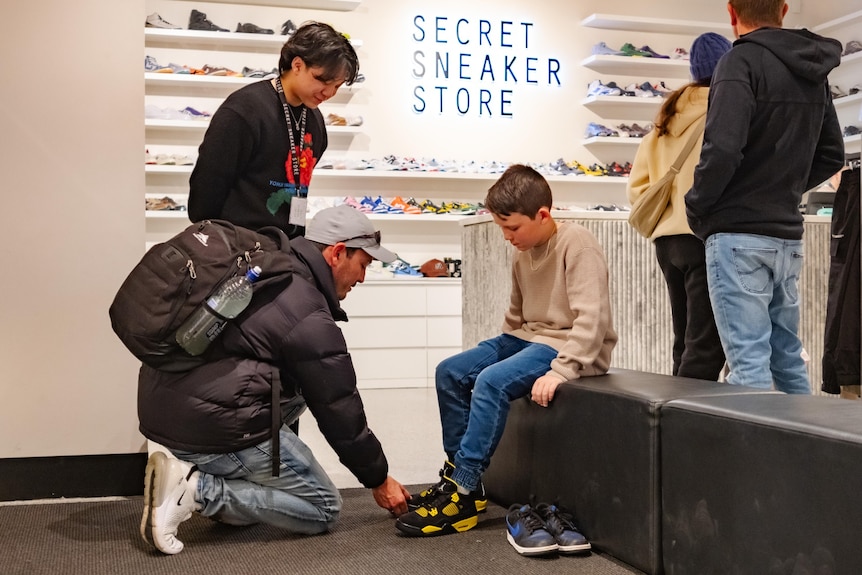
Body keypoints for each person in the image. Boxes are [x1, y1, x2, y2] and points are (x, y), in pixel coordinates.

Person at [138, 204, 410, 555]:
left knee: (301, 390)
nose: (362, 277)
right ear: (337, 252)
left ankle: (214, 474)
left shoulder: (268, 263)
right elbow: (338, 407)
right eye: (364, 264)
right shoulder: (303, 307)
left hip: (167, 409)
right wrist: (378, 478)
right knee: (322, 507)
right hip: (209, 424)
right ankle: (195, 490)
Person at [395, 164, 617, 539]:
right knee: (450, 371)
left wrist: (562, 370)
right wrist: (502, 349)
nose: (506, 236)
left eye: (512, 227)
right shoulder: (523, 252)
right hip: (527, 339)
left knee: (491, 382)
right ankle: (460, 481)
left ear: (543, 215)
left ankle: (463, 489)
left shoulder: (577, 244)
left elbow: (592, 320)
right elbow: (516, 318)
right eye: (502, 228)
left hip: (566, 345)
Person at [684, 0, 845, 394]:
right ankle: (805, 454)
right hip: (786, 236)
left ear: (731, 12)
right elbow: (832, 154)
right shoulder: (813, 70)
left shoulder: (739, 63)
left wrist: (697, 205)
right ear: (785, 9)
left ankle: (750, 459)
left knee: (748, 366)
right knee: (787, 357)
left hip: (738, 234)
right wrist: (783, 188)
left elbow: (722, 148)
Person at [188, 21, 359, 238]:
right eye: (322, 80)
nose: (329, 93)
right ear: (297, 65)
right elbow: (204, 198)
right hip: (235, 251)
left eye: (337, 85)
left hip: (286, 251)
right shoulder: (244, 110)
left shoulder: (315, 120)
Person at [627, 32, 732, 381]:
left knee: (684, 340)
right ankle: (687, 430)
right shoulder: (724, 112)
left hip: (667, 242)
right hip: (704, 238)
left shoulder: (667, 115)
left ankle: (670, 424)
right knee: (705, 346)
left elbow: (637, 188)